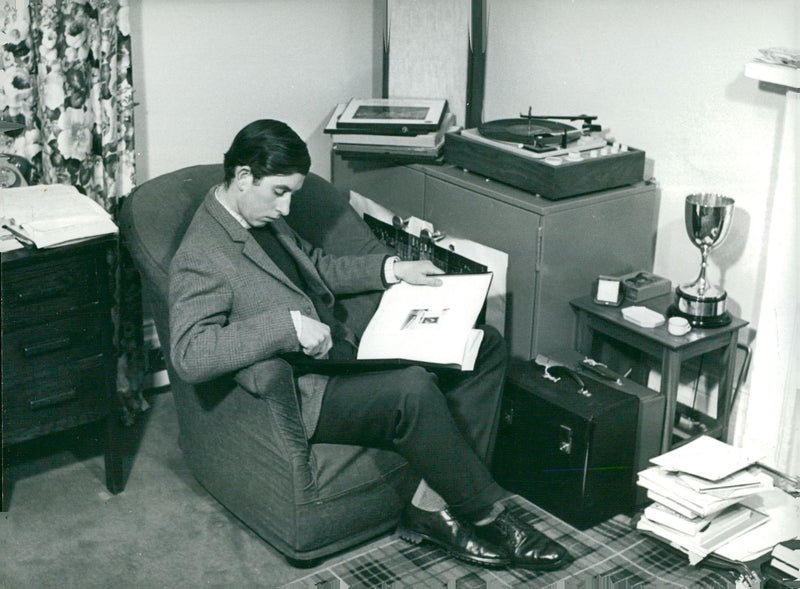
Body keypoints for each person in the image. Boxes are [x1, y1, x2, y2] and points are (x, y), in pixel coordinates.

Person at [168, 119, 570, 570]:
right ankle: (488, 515)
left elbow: (315, 266)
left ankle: (431, 506)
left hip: (344, 353)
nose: (286, 207)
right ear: (243, 177)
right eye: (279, 191)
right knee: (412, 388)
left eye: (292, 194)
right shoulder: (202, 253)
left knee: (485, 345)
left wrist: (393, 270)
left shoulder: (261, 216)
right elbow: (190, 354)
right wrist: (287, 327)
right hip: (308, 388)